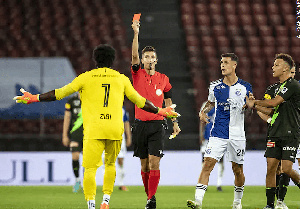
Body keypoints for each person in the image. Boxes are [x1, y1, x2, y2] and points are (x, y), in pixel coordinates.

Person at [13, 44, 179, 209]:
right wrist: (161, 110)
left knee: (90, 169)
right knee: (110, 165)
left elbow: (59, 93)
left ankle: (91, 204)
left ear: (95, 60)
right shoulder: (121, 78)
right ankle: (105, 200)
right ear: (112, 60)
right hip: (114, 129)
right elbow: (141, 102)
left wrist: (35, 98)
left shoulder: (85, 77)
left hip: (94, 130)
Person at [187, 53, 252, 209]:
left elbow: (249, 111)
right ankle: (198, 201)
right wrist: (202, 112)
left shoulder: (245, 87)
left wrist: (250, 107)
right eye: (221, 62)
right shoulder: (215, 86)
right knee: (207, 164)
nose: (222, 65)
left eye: (226, 62)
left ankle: (237, 202)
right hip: (218, 133)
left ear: (234, 65)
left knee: (237, 169)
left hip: (237, 134)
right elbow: (210, 104)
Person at [131, 19, 181, 209]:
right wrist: (136, 33)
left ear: (156, 60)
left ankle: (152, 199)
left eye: (152, 57)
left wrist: (174, 122)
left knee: (154, 162)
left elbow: (168, 102)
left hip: (158, 125)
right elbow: (133, 55)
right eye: (147, 57)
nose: (149, 59)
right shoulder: (136, 74)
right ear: (143, 60)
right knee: (144, 166)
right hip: (140, 125)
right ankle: (149, 197)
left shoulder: (164, 79)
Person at [245, 53, 300, 209]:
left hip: (291, 132)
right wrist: (253, 105)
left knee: (287, 169)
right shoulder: (275, 87)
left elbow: (275, 102)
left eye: (276, 65)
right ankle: (270, 205)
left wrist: (254, 101)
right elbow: (270, 111)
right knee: (270, 168)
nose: (272, 67)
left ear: (285, 68)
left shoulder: (293, 84)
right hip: (274, 132)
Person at [199, 101, 224, 192]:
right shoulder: (206, 105)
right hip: (207, 138)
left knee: (220, 161)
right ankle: (203, 183)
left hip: (220, 138)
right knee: (204, 161)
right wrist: (201, 135)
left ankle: (219, 183)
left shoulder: (223, 104)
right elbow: (202, 121)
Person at [62, 93, 83, 193]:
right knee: (75, 157)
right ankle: (77, 180)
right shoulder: (71, 101)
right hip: (75, 134)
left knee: (88, 161)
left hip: (89, 134)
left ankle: (86, 182)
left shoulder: (92, 99)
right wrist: (64, 135)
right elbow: (67, 118)